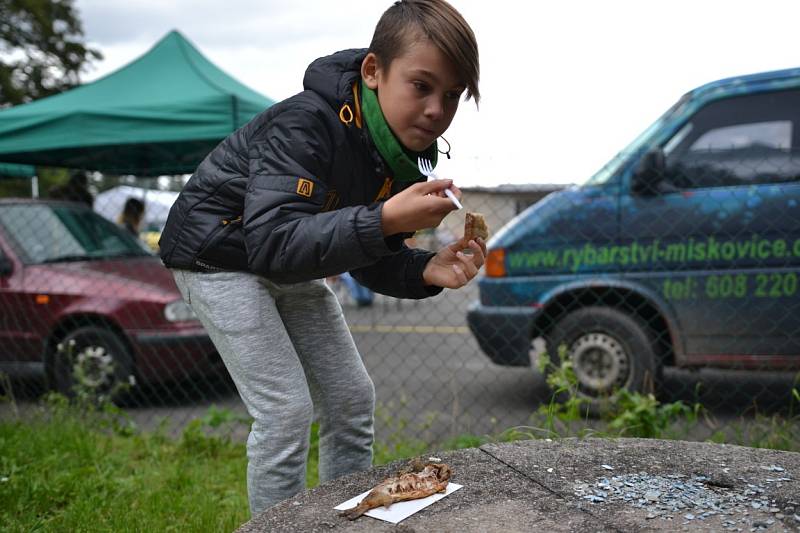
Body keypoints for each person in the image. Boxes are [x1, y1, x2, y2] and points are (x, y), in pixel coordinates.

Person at [158, 0, 483, 515]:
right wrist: (384, 220)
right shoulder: (304, 124)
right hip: (215, 255)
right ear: (374, 71)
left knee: (352, 401)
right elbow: (272, 243)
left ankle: (347, 519)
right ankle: (277, 528)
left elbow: (359, 252)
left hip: (281, 260)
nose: (436, 110)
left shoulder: (390, 150)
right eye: (421, 86)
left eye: (451, 95)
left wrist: (423, 267)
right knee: (286, 412)